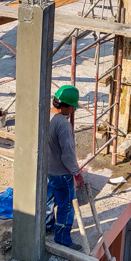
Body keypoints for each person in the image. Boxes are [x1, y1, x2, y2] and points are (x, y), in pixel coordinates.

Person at [46, 84, 84, 250]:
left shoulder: (45, 115)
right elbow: (67, 155)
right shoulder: (63, 125)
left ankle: (47, 226)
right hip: (61, 173)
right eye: (72, 108)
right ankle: (62, 238)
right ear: (66, 106)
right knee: (66, 206)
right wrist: (76, 173)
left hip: (45, 170)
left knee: (47, 202)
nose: (73, 111)